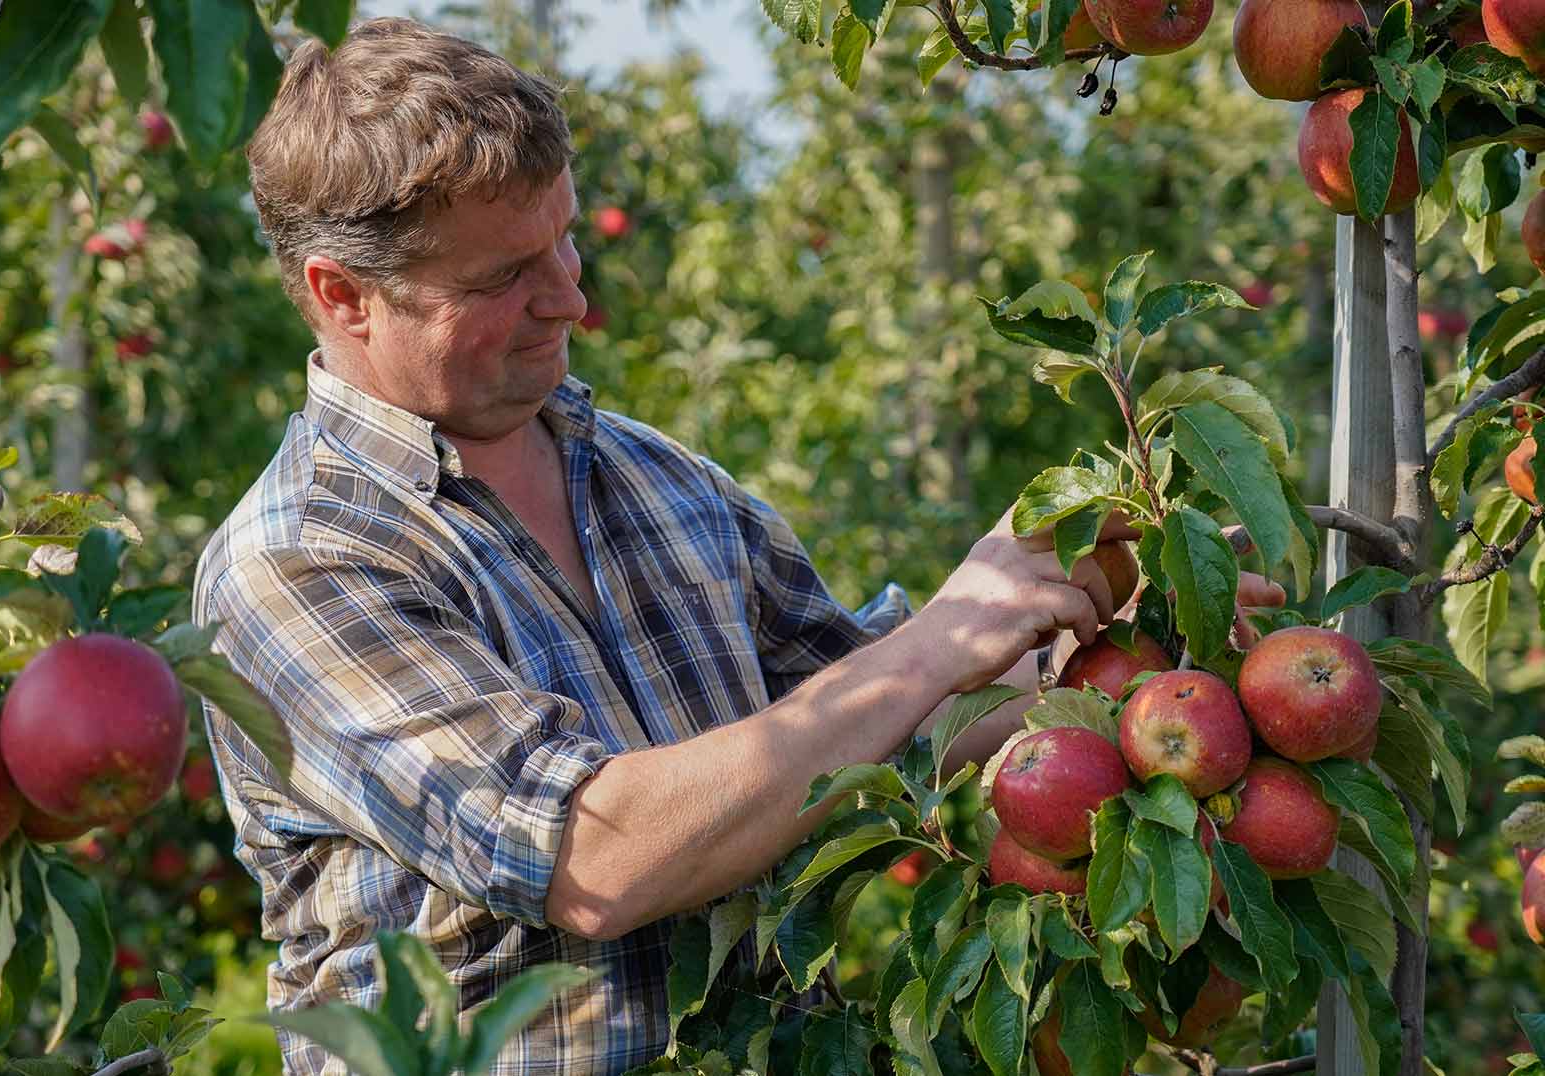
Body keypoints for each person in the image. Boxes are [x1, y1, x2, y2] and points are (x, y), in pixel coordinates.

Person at [191, 17, 1283, 1075]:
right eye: (500, 279)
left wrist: (1093, 658)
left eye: (564, 239)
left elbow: (856, 718)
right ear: (344, 295)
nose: (569, 295)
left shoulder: (652, 479)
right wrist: (944, 634)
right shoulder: (300, 561)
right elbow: (589, 857)